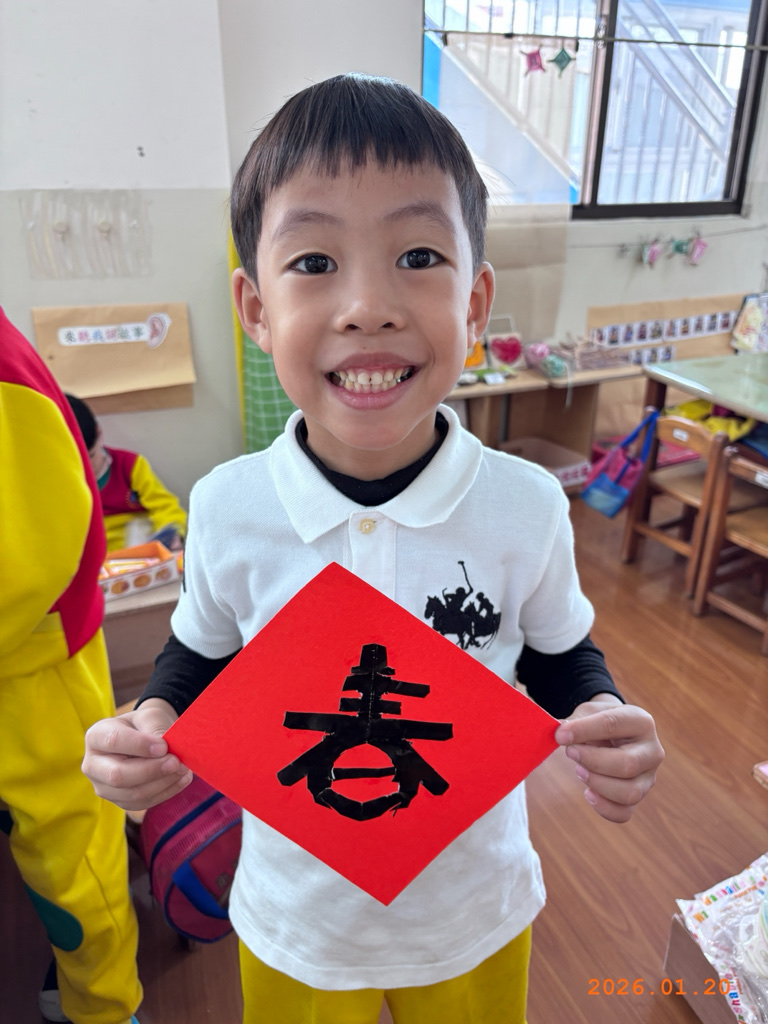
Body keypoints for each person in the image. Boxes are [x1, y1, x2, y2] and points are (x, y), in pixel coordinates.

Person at [82, 74, 664, 1024]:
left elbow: (562, 657)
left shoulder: (524, 505)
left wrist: (603, 716)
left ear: (475, 303)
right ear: (256, 308)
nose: (366, 306)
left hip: (473, 914)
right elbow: (199, 651)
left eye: (418, 255)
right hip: (296, 923)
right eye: (314, 261)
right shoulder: (229, 506)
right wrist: (151, 721)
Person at [0, 308, 142, 1024]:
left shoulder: (130, 465)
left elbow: (30, 556)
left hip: (30, 656)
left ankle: (103, 1008)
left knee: (76, 867)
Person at [66, 393, 187, 553]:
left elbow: (166, 507)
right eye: (76, 461)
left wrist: (172, 532)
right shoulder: (60, 482)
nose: (85, 467)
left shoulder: (130, 465)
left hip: (137, 552)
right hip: (92, 556)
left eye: (91, 456)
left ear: (99, 432)